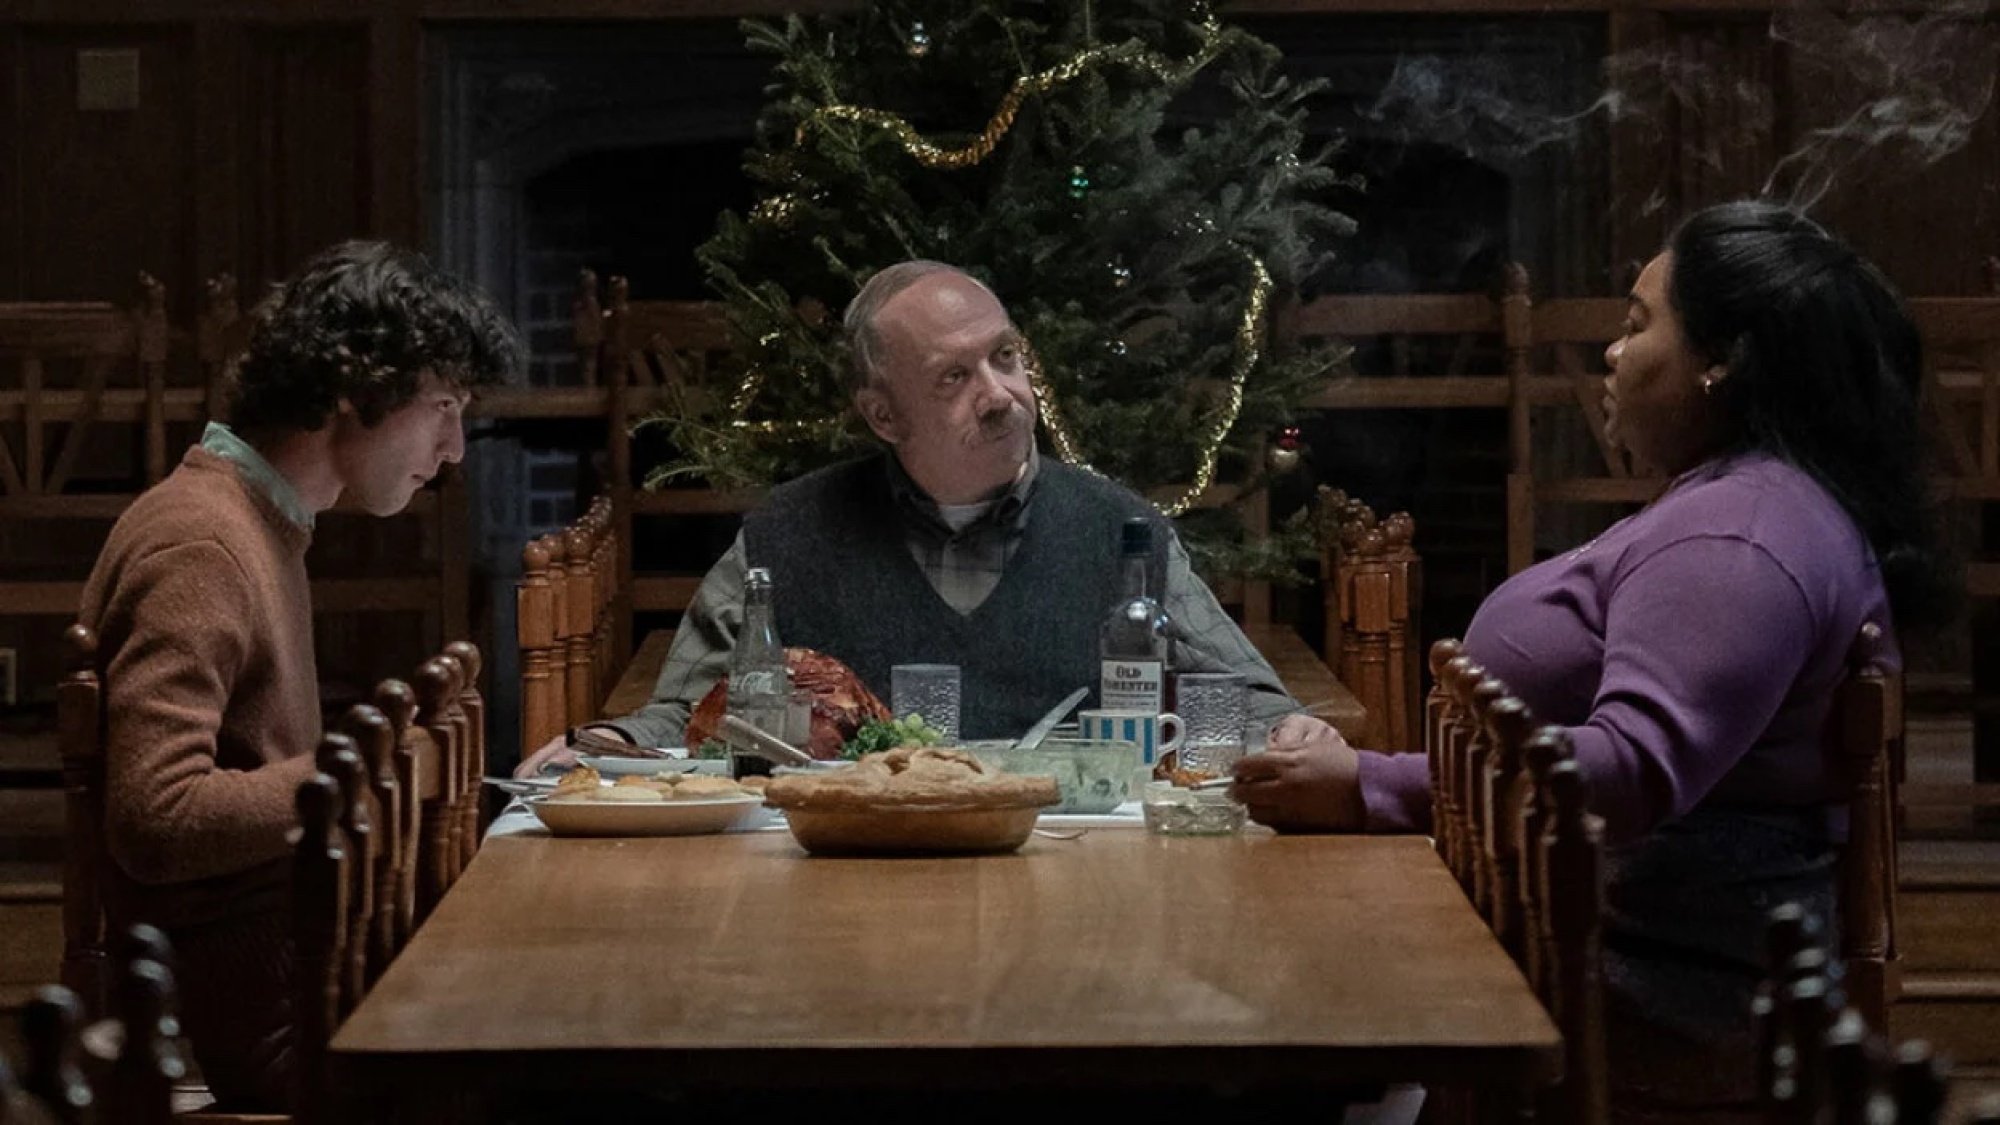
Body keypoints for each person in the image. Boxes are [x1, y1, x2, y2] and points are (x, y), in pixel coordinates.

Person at [1230, 200, 1952, 1116]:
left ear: (1721, 361)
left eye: (1638, 324)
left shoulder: (1742, 532)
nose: (1614, 353)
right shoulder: (1740, 503)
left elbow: (1632, 767)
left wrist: (1369, 782)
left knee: (1244, 1003)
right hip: (1599, 947)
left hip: (1650, 992)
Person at [519, 260, 1292, 774]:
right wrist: (607, 745)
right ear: (884, 415)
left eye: (1006, 357)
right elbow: (689, 714)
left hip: (1074, 880)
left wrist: (1294, 738)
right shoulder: (789, 535)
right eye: (955, 375)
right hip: (847, 891)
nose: (1000, 394)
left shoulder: (1122, 531)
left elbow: (1250, 703)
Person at [79, 241, 522, 1109]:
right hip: (266, 1031)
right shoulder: (202, 543)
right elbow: (154, 815)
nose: (456, 447)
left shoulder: (256, 524)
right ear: (356, 393)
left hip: (298, 985)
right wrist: (364, 772)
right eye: (442, 406)